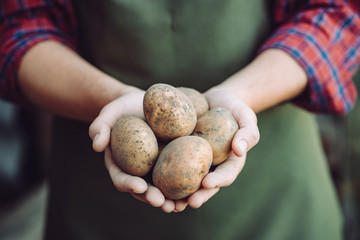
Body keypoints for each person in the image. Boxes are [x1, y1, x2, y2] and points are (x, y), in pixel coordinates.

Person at [1, 0, 359, 239]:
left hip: (276, 200)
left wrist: (242, 96)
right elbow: (18, 28)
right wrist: (109, 98)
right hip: (98, 201)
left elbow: (337, 10)